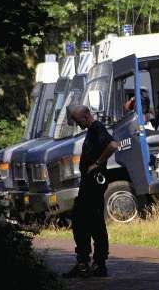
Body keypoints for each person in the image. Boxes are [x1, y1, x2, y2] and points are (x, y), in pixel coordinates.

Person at [63, 105, 119, 278]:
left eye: (78, 120)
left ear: (86, 116)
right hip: (89, 183)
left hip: (93, 184)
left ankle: (94, 263)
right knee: (85, 221)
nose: (77, 124)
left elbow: (112, 145)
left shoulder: (97, 128)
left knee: (88, 221)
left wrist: (98, 163)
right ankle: (88, 262)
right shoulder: (91, 130)